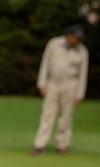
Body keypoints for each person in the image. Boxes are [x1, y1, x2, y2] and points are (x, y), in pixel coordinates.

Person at [30, 25, 89, 156]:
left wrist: (79, 94)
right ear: (69, 35)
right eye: (76, 38)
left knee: (66, 116)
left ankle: (62, 144)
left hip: (71, 85)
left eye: (80, 38)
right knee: (47, 115)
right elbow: (45, 64)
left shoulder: (82, 51)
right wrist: (42, 83)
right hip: (53, 83)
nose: (78, 41)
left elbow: (83, 74)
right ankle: (39, 145)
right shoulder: (54, 44)